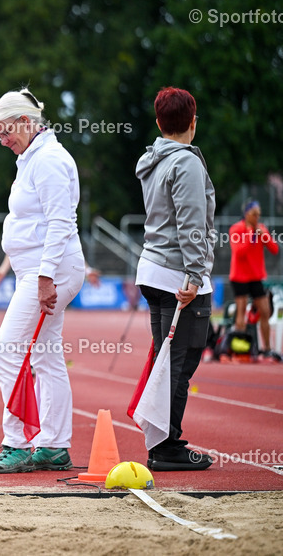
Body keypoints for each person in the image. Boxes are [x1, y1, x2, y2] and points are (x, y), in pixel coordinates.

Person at [0, 88, 85, 474]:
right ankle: (54, 445)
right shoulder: (32, 157)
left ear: (26, 122)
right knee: (45, 355)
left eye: (5, 131)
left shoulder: (49, 160)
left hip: (50, 270)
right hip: (41, 269)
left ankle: (18, 443)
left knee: (6, 350)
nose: (2, 140)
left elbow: (61, 222)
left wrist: (44, 277)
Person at [135, 87, 215, 471]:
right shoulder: (186, 163)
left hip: (153, 269)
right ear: (193, 122)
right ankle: (166, 446)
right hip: (178, 275)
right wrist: (197, 274)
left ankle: (161, 441)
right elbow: (192, 223)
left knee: (166, 360)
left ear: (158, 122)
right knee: (180, 363)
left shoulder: (152, 159)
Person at [228, 200, 280, 361]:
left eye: (259, 214)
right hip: (240, 276)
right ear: (247, 214)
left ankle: (267, 349)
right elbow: (239, 251)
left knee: (265, 311)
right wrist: (251, 234)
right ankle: (240, 348)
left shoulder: (261, 229)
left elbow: (274, 249)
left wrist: (262, 235)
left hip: (255, 277)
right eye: (255, 214)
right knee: (241, 310)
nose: (258, 217)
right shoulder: (236, 229)